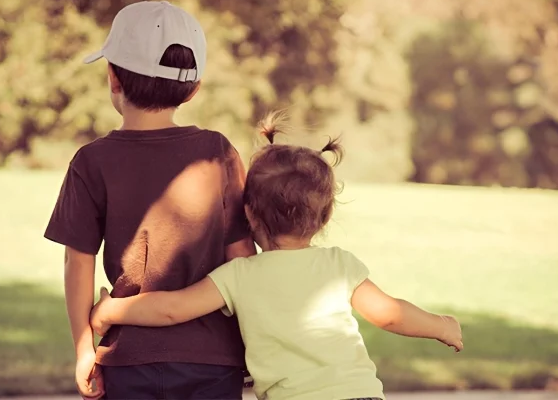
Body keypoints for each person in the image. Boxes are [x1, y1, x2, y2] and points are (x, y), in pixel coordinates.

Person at [89, 115, 464, 400]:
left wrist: (111, 312)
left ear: (248, 213)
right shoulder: (338, 265)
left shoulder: (238, 276)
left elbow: (171, 309)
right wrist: (441, 326)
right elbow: (390, 314)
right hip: (357, 395)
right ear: (325, 217)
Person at [44, 1, 256, 400]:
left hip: (128, 361)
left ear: (113, 78)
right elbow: (242, 256)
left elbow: (78, 262)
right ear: (193, 89)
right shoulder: (218, 152)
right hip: (214, 361)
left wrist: (83, 349)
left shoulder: (91, 160)